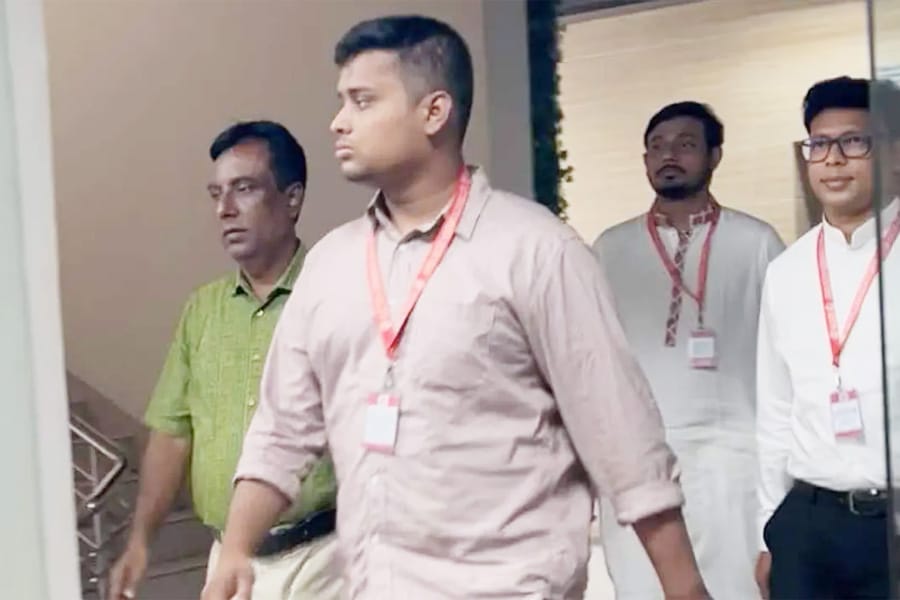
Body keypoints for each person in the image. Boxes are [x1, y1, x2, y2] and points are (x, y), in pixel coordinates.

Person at [202, 15, 709, 600]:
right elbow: (282, 430)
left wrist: (685, 588)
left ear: (434, 112)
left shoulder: (537, 251)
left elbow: (621, 435)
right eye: (342, 102)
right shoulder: (330, 266)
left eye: (363, 101)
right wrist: (235, 550)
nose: (339, 122)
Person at [108, 121, 341, 600]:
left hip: (325, 558)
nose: (224, 209)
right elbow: (173, 435)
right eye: (216, 193)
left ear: (292, 199)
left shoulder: (336, 297)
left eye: (244, 189)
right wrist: (140, 541)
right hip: (229, 564)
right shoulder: (202, 311)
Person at [592, 102, 784, 599]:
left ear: (715, 155)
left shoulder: (756, 242)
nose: (668, 156)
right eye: (656, 147)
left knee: (737, 588)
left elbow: (784, 357)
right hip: (641, 459)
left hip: (735, 457)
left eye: (685, 144)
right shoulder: (611, 248)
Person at [755, 76, 900, 599]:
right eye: (819, 144)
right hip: (809, 525)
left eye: (854, 141)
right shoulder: (787, 270)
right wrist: (768, 530)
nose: (833, 160)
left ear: (895, 152)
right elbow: (775, 408)